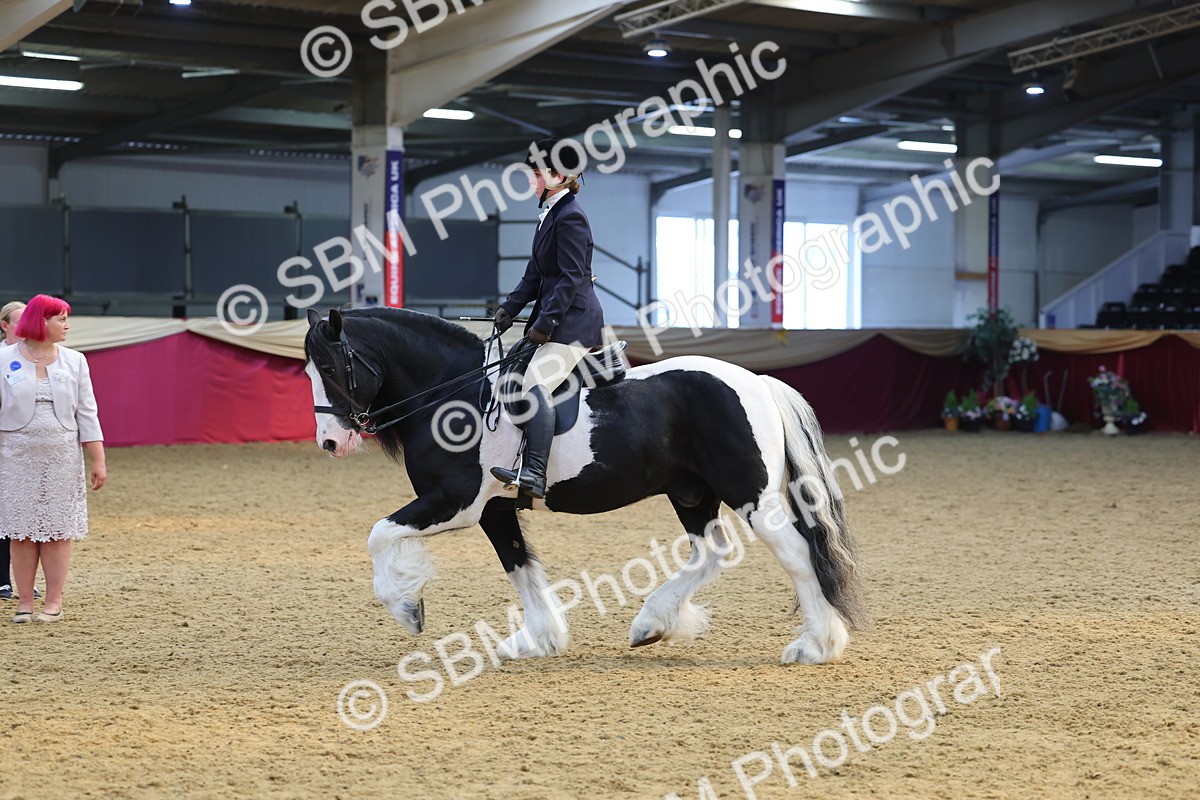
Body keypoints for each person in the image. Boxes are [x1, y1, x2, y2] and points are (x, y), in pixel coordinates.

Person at [490, 138, 605, 499]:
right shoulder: (550, 214)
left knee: (533, 384)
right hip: (557, 319)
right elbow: (535, 276)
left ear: (559, 176)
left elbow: (571, 278)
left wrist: (545, 323)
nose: (531, 181)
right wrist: (510, 308)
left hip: (574, 324)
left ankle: (534, 473)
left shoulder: (571, 217)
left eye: (536, 174)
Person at [0, 295, 105, 623]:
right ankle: (25, 602)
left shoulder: (75, 360)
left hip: (62, 456)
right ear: (40, 321)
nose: (66, 325)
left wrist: (98, 459)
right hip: (15, 456)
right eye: (60, 318)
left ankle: (54, 601)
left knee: (58, 530)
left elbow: (87, 412)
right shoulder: (3, 359)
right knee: (21, 532)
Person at [0, 301, 41, 602]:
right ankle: (2, 580)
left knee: (26, 515)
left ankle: (24, 582)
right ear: (5, 325)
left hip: (29, 446)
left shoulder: (39, 357)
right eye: (19, 321)